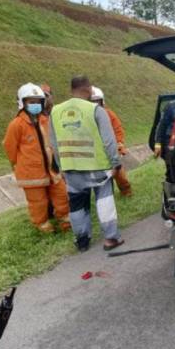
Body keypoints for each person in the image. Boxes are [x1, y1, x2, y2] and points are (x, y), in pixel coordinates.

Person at [50, 75, 124, 252]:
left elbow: (53, 144)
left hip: (71, 167)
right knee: (104, 201)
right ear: (89, 89)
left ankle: (82, 241)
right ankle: (111, 239)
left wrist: (61, 168)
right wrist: (116, 163)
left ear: (71, 90)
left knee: (76, 205)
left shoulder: (55, 111)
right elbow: (109, 140)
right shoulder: (95, 110)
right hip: (97, 166)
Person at [2, 83, 71, 233]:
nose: (35, 105)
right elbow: (9, 147)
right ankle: (44, 227)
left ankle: (66, 222)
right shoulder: (16, 125)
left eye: (38, 101)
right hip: (31, 173)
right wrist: (17, 164)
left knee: (61, 195)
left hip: (52, 169)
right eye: (31, 102)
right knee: (38, 203)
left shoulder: (45, 120)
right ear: (22, 102)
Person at [90, 86, 132, 197]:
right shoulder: (86, 117)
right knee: (102, 177)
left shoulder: (109, 114)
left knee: (120, 174)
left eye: (96, 101)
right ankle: (107, 196)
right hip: (96, 152)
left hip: (111, 149)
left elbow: (118, 129)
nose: (94, 103)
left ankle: (126, 192)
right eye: (92, 101)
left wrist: (119, 144)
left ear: (101, 101)